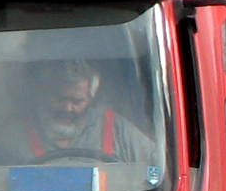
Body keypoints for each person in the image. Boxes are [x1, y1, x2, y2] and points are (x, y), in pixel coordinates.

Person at [24, 59, 158, 169]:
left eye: (77, 101)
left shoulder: (117, 130)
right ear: (45, 94)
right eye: (60, 99)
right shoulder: (16, 134)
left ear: (91, 99)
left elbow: (158, 168)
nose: (67, 108)